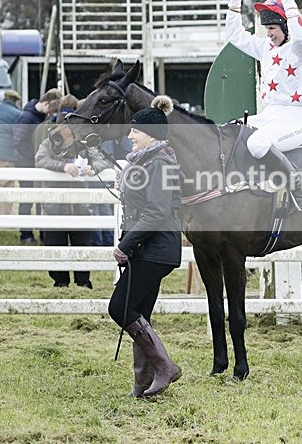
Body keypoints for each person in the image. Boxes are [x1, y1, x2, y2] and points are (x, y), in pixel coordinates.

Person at [225, 0, 302, 204]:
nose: (268, 34)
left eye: (272, 28)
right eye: (267, 29)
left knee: (257, 143)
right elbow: (234, 35)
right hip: (270, 115)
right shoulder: (266, 48)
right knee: (229, 132)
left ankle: (298, 187)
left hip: (296, 120)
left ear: (286, 26)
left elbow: (299, 37)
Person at [109, 95, 183, 398]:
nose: (130, 136)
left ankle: (165, 367)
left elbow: (157, 212)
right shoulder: (147, 161)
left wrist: (125, 244)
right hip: (148, 249)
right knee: (139, 312)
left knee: (119, 308)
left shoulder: (161, 163)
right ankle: (142, 383)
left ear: (151, 134)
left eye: (135, 131)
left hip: (156, 249)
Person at [34, 99, 103, 289]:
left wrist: (92, 167)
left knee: (82, 244)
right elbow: (40, 159)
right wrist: (63, 166)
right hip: (56, 204)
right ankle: (60, 282)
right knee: (56, 243)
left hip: (80, 204)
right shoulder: (49, 142)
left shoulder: (84, 143)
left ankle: (83, 282)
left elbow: (101, 159)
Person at [14, 88, 62, 244]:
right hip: (27, 164)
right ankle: (26, 233)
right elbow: (19, 141)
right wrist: (34, 157)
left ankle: (42, 232)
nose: (50, 115)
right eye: (50, 111)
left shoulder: (38, 117)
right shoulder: (27, 118)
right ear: (45, 103)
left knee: (41, 198)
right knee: (27, 199)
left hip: (36, 164)